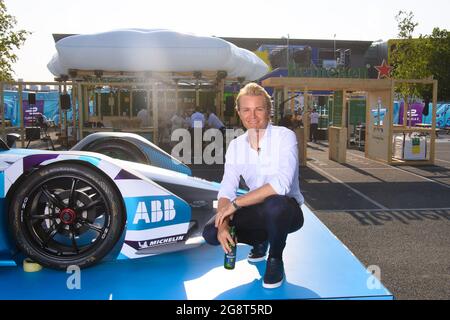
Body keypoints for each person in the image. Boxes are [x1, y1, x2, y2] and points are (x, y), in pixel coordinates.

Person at [202, 83, 304, 289]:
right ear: (239, 113)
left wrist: (236, 204)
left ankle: (275, 258)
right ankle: (260, 240)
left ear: (268, 111)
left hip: (287, 211)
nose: (253, 116)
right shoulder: (236, 145)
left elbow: (281, 185)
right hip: (257, 210)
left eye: (259, 109)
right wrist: (223, 224)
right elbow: (227, 188)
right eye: (246, 110)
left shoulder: (285, 136)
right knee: (211, 233)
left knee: (275, 205)